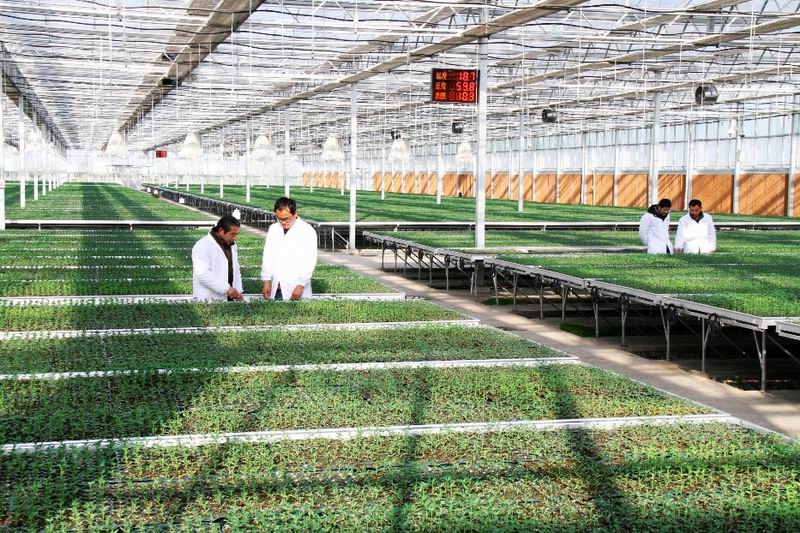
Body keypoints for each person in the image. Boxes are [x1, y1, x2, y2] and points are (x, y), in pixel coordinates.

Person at [261, 197, 317, 301]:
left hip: (297, 287)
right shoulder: (274, 229)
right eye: (279, 218)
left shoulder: (307, 231)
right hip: (276, 288)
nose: (283, 222)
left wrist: (301, 285)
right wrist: (266, 281)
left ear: (295, 213)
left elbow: (309, 261)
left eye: (286, 218)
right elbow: (268, 256)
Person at [192, 215, 244, 301]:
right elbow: (202, 274)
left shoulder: (231, 244)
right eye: (233, 234)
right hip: (208, 298)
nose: (235, 238)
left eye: (236, 234)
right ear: (221, 230)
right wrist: (226, 289)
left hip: (230, 296)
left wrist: (238, 291)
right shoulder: (202, 245)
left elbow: (235, 269)